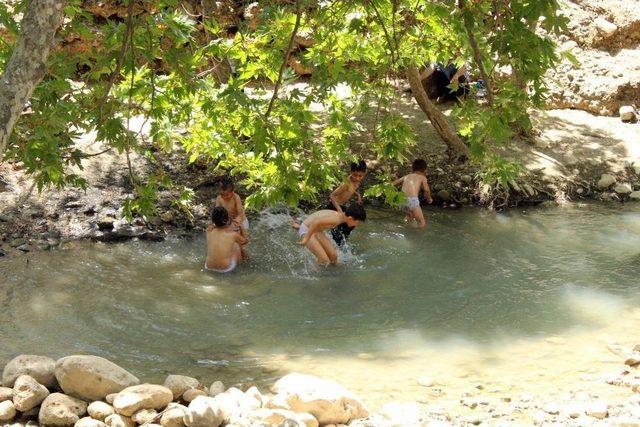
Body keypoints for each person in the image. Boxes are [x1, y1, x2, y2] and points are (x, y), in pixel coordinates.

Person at [292, 204, 367, 266]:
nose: (356, 225)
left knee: (333, 256)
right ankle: (318, 278)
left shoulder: (341, 216)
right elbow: (316, 221)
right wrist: (306, 239)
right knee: (324, 260)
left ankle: (336, 274)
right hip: (307, 231)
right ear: (350, 218)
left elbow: (320, 220)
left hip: (317, 230)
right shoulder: (336, 219)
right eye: (357, 222)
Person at [326, 160, 367, 245]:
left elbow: (351, 190)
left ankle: (341, 244)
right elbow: (332, 195)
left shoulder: (356, 182)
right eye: (355, 175)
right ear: (351, 172)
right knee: (340, 229)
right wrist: (339, 210)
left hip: (341, 207)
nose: (357, 178)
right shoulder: (346, 183)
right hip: (334, 207)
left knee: (352, 222)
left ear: (364, 174)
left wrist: (358, 195)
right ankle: (337, 246)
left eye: (360, 176)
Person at [204, 206, 247, 273]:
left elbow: (213, 226)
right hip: (225, 268)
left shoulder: (209, 231)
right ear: (227, 220)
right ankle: (246, 263)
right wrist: (241, 226)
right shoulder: (233, 235)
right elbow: (245, 241)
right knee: (237, 245)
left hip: (208, 266)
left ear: (213, 220)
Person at [215, 177, 249, 259]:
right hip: (229, 223)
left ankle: (246, 260)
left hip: (241, 222)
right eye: (222, 194)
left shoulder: (236, 198)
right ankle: (231, 259)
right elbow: (217, 212)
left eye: (226, 194)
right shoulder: (219, 199)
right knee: (230, 244)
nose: (224, 197)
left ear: (233, 192)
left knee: (242, 245)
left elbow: (240, 213)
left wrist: (238, 222)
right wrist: (215, 223)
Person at [393, 159, 433, 228]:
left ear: (413, 168)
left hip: (401, 201)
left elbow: (393, 184)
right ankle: (419, 238)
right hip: (412, 201)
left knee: (410, 216)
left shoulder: (407, 176)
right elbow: (426, 190)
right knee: (421, 222)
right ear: (424, 170)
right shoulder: (422, 177)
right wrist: (429, 199)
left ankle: (406, 229)